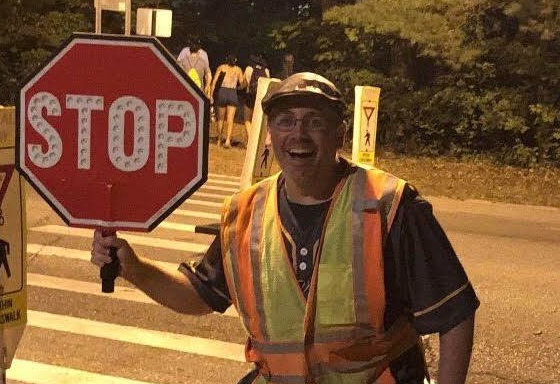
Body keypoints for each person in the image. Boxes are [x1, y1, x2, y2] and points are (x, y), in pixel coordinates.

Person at [91, 72, 479, 384]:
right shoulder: (246, 213)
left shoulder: (391, 206)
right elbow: (201, 294)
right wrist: (134, 268)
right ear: (270, 134)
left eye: (315, 122)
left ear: (340, 134)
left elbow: (455, 313)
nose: (299, 134)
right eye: (286, 122)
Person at [209, 54, 245, 148]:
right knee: (230, 120)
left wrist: (211, 94)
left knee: (220, 119)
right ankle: (228, 140)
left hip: (222, 91)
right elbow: (242, 84)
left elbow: (214, 82)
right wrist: (239, 87)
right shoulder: (238, 70)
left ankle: (219, 139)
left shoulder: (221, 67)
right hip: (232, 92)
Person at [243, 54, 270, 141]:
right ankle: (257, 140)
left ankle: (251, 139)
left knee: (247, 119)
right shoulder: (266, 70)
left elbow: (245, 84)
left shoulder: (248, 69)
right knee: (258, 120)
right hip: (260, 97)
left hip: (250, 96)